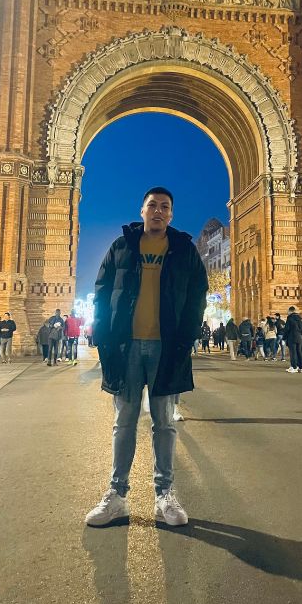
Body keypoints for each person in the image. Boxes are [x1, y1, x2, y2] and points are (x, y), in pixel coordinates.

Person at [83, 187, 206, 529]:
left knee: (164, 423)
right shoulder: (121, 247)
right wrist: (105, 337)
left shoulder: (183, 249)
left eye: (165, 207)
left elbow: (199, 291)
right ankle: (116, 495)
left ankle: (164, 495)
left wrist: (186, 335)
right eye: (152, 205)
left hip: (167, 349)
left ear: (171, 214)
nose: (158, 211)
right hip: (127, 348)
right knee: (124, 422)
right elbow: (102, 290)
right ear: (142, 210)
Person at [284, 305, 302, 373]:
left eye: (288, 311)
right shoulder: (300, 318)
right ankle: (301, 367)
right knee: (299, 352)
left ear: (290, 311)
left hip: (291, 337)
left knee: (293, 352)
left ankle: (294, 367)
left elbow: (287, 329)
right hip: (299, 337)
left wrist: (284, 338)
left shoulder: (290, 318)